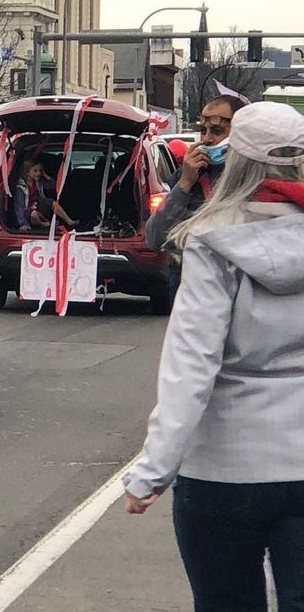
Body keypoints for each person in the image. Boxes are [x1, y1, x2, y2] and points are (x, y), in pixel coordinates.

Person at [123, 101, 304, 611]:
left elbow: (192, 364)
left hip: (226, 467)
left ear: (237, 159)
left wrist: (153, 470)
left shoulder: (211, 239)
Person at [146, 95, 247, 250]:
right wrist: (184, 184)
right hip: (188, 270)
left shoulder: (253, 175)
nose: (207, 139)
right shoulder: (190, 174)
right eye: (202, 130)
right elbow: (154, 238)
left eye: (217, 131)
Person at [13, 157, 78, 231]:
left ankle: (69, 221)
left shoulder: (38, 181)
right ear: (27, 172)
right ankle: (44, 225)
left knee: (51, 201)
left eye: (40, 171)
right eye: (35, 171)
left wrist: (45, 175)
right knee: (34, 214)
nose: (38, 173)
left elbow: (53, 186)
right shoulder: (20, 188)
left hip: (38, 207)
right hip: (27, 212)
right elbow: (19, 208)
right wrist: (23, 224)